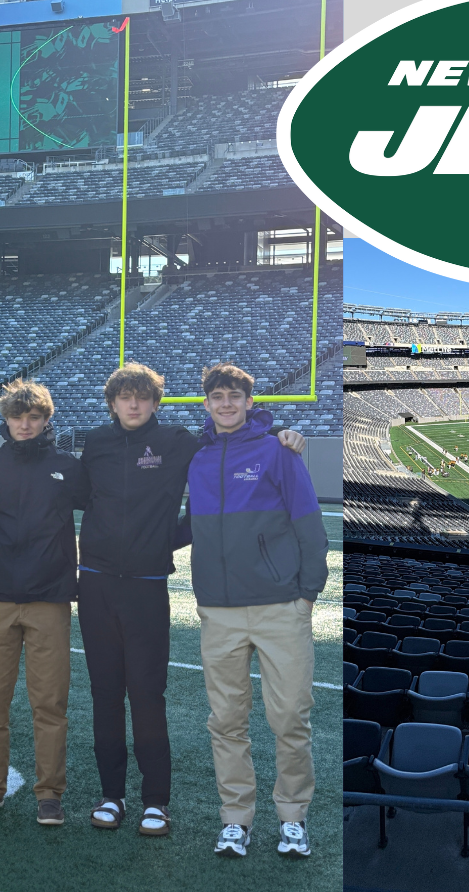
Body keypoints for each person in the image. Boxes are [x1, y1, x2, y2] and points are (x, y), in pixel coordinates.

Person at [76, 363, 304, 836]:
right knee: (103, 694)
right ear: (112, 403)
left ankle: (156, 800)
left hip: (146, 584)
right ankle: (110, 795)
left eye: (142, 397)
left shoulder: (178, 441)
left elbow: (231, 441)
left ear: (156, 403)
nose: (134, 405)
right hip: (96, 583)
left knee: (147, 694)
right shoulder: (94, 443)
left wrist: (281, 432)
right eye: (125, 397)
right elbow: (78, 501)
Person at [187, 364, 327, 858]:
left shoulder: (278, 451)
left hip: (278, 607)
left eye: (234, 396)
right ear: (206, 404)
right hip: (219, 611)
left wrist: (308, 594)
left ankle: (292, 818)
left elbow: (311, 527)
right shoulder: (198, 457)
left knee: (289, 718)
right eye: (217, 397)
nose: (225, 404)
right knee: (226, 721)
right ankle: (235, 820)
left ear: (249, 402)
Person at [0, 380, 88, 826]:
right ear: (7, 420)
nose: (25, 424)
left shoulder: (68, 467)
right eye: (18, 417)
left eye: (33, 417)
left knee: (49, 704)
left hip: (49, 598)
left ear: (46, 420)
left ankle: (49, 792)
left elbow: (104, 513)